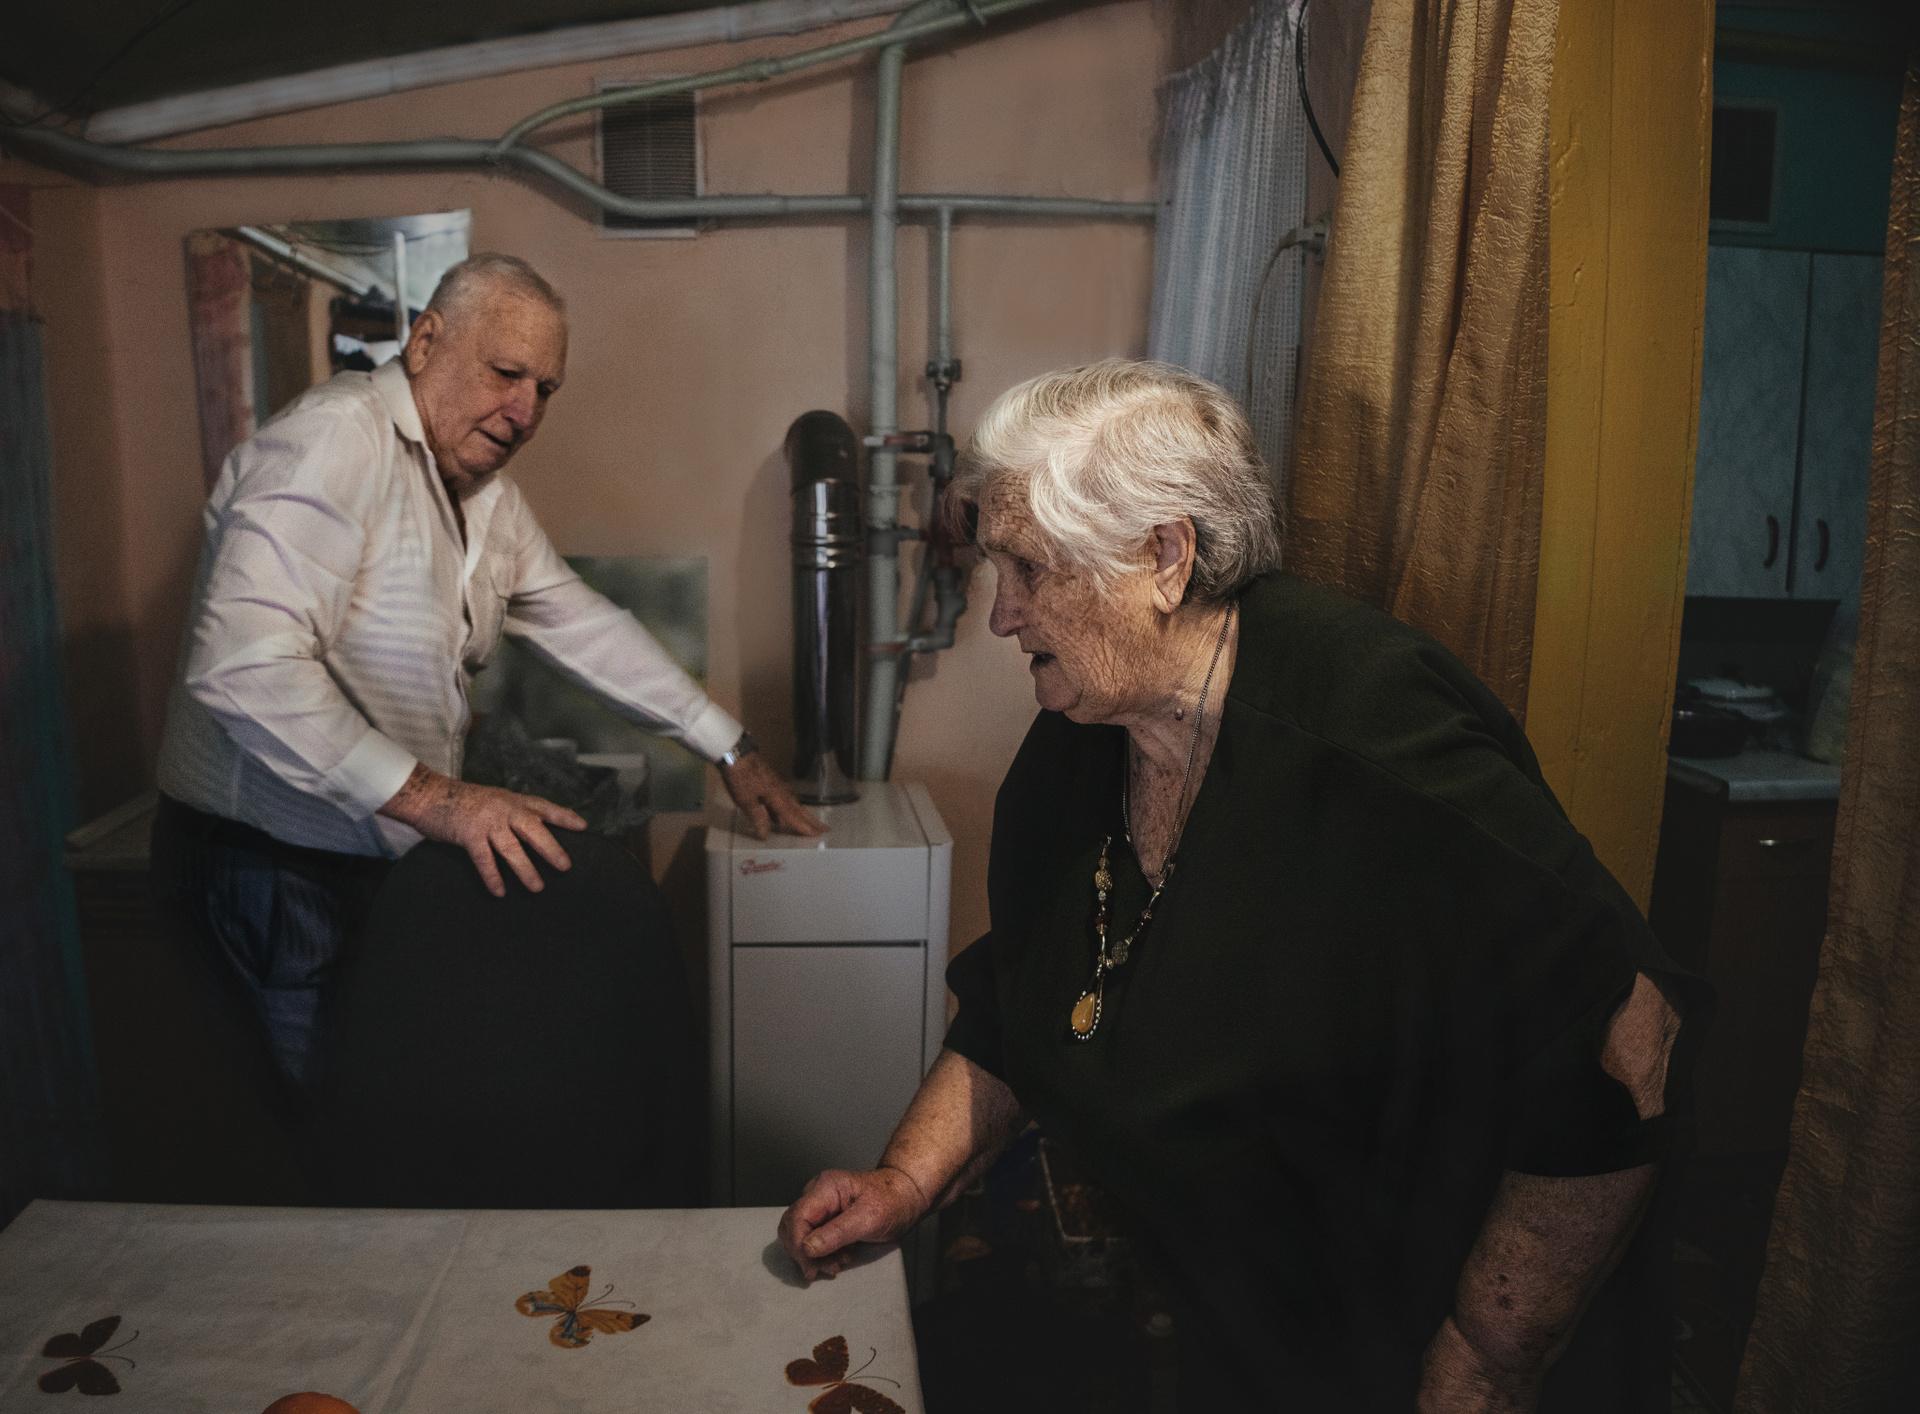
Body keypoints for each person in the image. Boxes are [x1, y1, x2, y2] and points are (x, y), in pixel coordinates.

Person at [777, 361, 1700, 1412]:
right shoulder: (1083, 734)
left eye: (1028, 568)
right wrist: (904, 1182)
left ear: (1164, 557)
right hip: (1239, 1324)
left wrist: (1485, 1356)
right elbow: (1022, 996)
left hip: (1421, 1343)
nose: (1003, 616)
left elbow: (1629, 1032)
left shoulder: (1370, 734)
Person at [153, 252, 821, 1096]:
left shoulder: (487, 498)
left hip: (369, 864)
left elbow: (584, 626)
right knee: (330, 1135)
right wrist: (444, 802)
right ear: (426, 342)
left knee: (390, 1110)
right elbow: (243, 664)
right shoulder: (335, 440)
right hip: (272, 874)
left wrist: (730, 747)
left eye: (546, 389)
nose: (526, 412)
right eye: (506, 373)